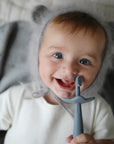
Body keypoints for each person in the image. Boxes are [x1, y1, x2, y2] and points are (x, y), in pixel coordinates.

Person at [0, 6, 114, 144]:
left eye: (85, 61)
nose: (70, 69)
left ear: (100, 68)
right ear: (37, 57)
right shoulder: (17, 97)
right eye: (57, 55)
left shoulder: (98, 109)